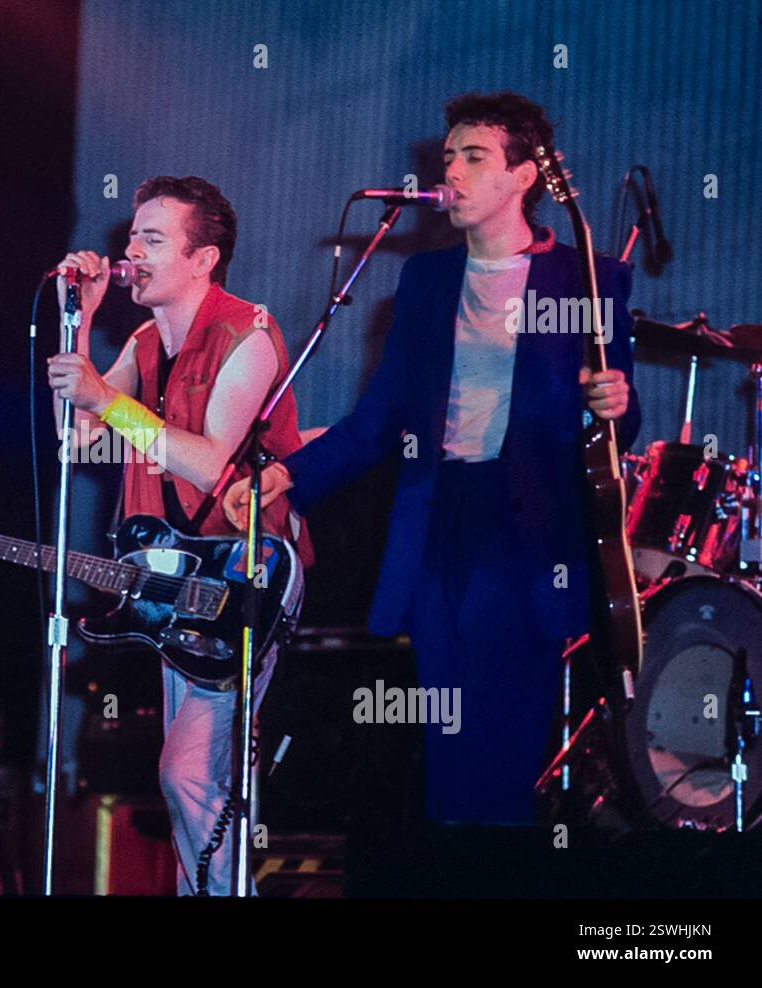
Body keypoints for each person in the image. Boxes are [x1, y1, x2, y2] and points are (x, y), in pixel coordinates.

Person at [225, 92, 640, 825]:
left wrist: (614, 401)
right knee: (447, 752)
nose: (452, 169)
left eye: (473, 155)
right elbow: (379, 420)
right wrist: (289, 474)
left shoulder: (589, 281)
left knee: (501, 754)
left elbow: (619, 424)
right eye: (448, 156)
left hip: (526, 535)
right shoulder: (426, 283)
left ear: (523, 176)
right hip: (437, 523)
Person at [48, 175, 313, 894]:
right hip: (172, 576)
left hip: (244, 578)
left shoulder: (247, 335)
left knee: (190, 770)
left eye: (153, 238)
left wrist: (107, 397)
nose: (130, 249)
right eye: (133, 235)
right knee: (191, 780)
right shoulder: (141, 339)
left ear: (204, 259)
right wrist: (81, 319)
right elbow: (78, 439)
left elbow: (208, 459)